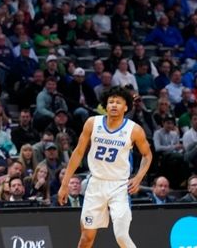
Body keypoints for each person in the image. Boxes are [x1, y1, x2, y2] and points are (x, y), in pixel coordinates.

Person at [58, 86, 153, 248]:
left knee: (122, 236)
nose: (114, 105)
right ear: (105, 106)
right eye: (111, 102)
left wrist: (138, 178)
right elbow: (78, 153)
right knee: (86, 238)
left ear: (126, 107)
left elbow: (147, 155)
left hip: (119, 186)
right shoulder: (92, 123)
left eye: (118, 102)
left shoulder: (134, 130)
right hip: (95, 184)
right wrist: (64, 184)